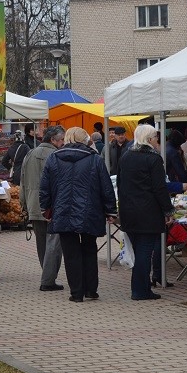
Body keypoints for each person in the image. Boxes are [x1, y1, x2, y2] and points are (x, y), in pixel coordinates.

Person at [40, 127, 117, 302]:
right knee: (89, 249)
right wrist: (110, 210)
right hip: (90, 211)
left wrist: (45, 209)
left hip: (63, 211)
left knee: (70, 253)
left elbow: (45, 187)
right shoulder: (95, 159)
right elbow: (106, 187)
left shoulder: (54, 158)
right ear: (85, 140)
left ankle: (76, 292)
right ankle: (91, 289)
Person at [118, 125, 174, 301]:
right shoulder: (153, 159)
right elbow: (159, 188)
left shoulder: (126, 156)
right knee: (144, 251)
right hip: (147, 211)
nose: (158, 141)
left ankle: (139, 288)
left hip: (129, 210)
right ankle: (140, 290)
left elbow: (120, 183)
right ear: (149, 139)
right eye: (156, 138)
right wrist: (168, 210)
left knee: (138, 249)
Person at [20, 125, 65, 290]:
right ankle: (48, 280)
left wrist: (24, 204)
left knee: (42, 244)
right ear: (53, 140)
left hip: (33, 205)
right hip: (52, 207)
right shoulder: (56, 155)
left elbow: (22, 181)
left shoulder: (30, 154)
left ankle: (46, 275)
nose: (63, 142)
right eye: (61, 139)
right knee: (54, 245)